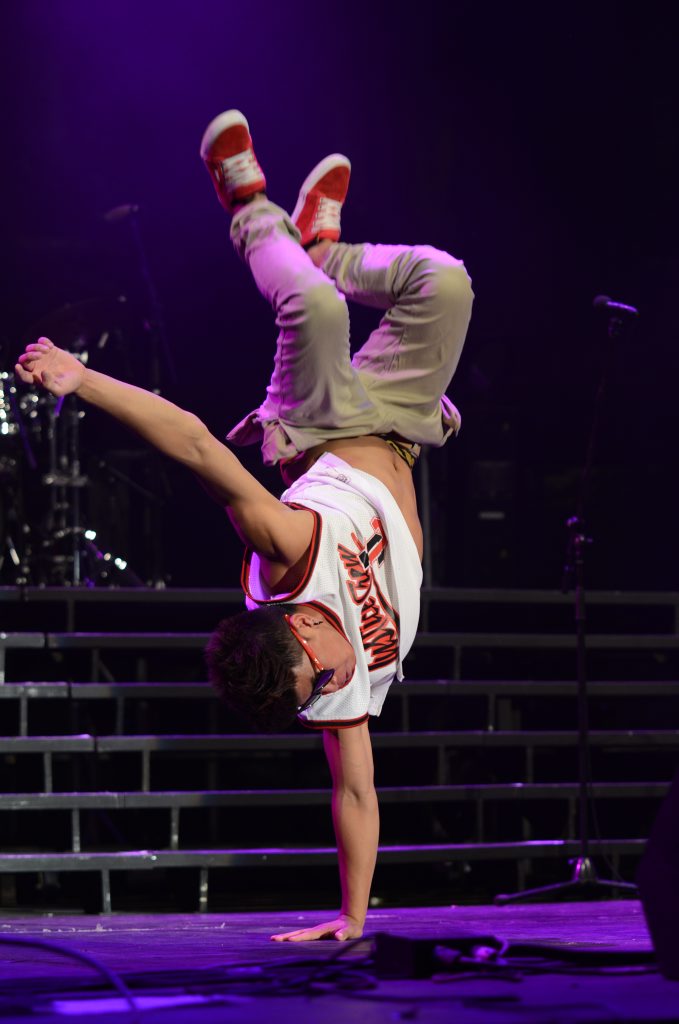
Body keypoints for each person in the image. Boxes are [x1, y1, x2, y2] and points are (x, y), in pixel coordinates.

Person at [16, 110, 473, 941]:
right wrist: (351, 915)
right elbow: (355, 793)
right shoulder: (335, 692)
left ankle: (248, 206)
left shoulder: (289, 556)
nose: (333, 680)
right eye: (318, 693)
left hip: (323, 426)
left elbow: (193, 441)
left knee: (314, 306)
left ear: (296, 622)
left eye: (317, 672)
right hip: (402, 427)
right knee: (443, 282)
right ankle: (325, 243)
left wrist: (82, 378)